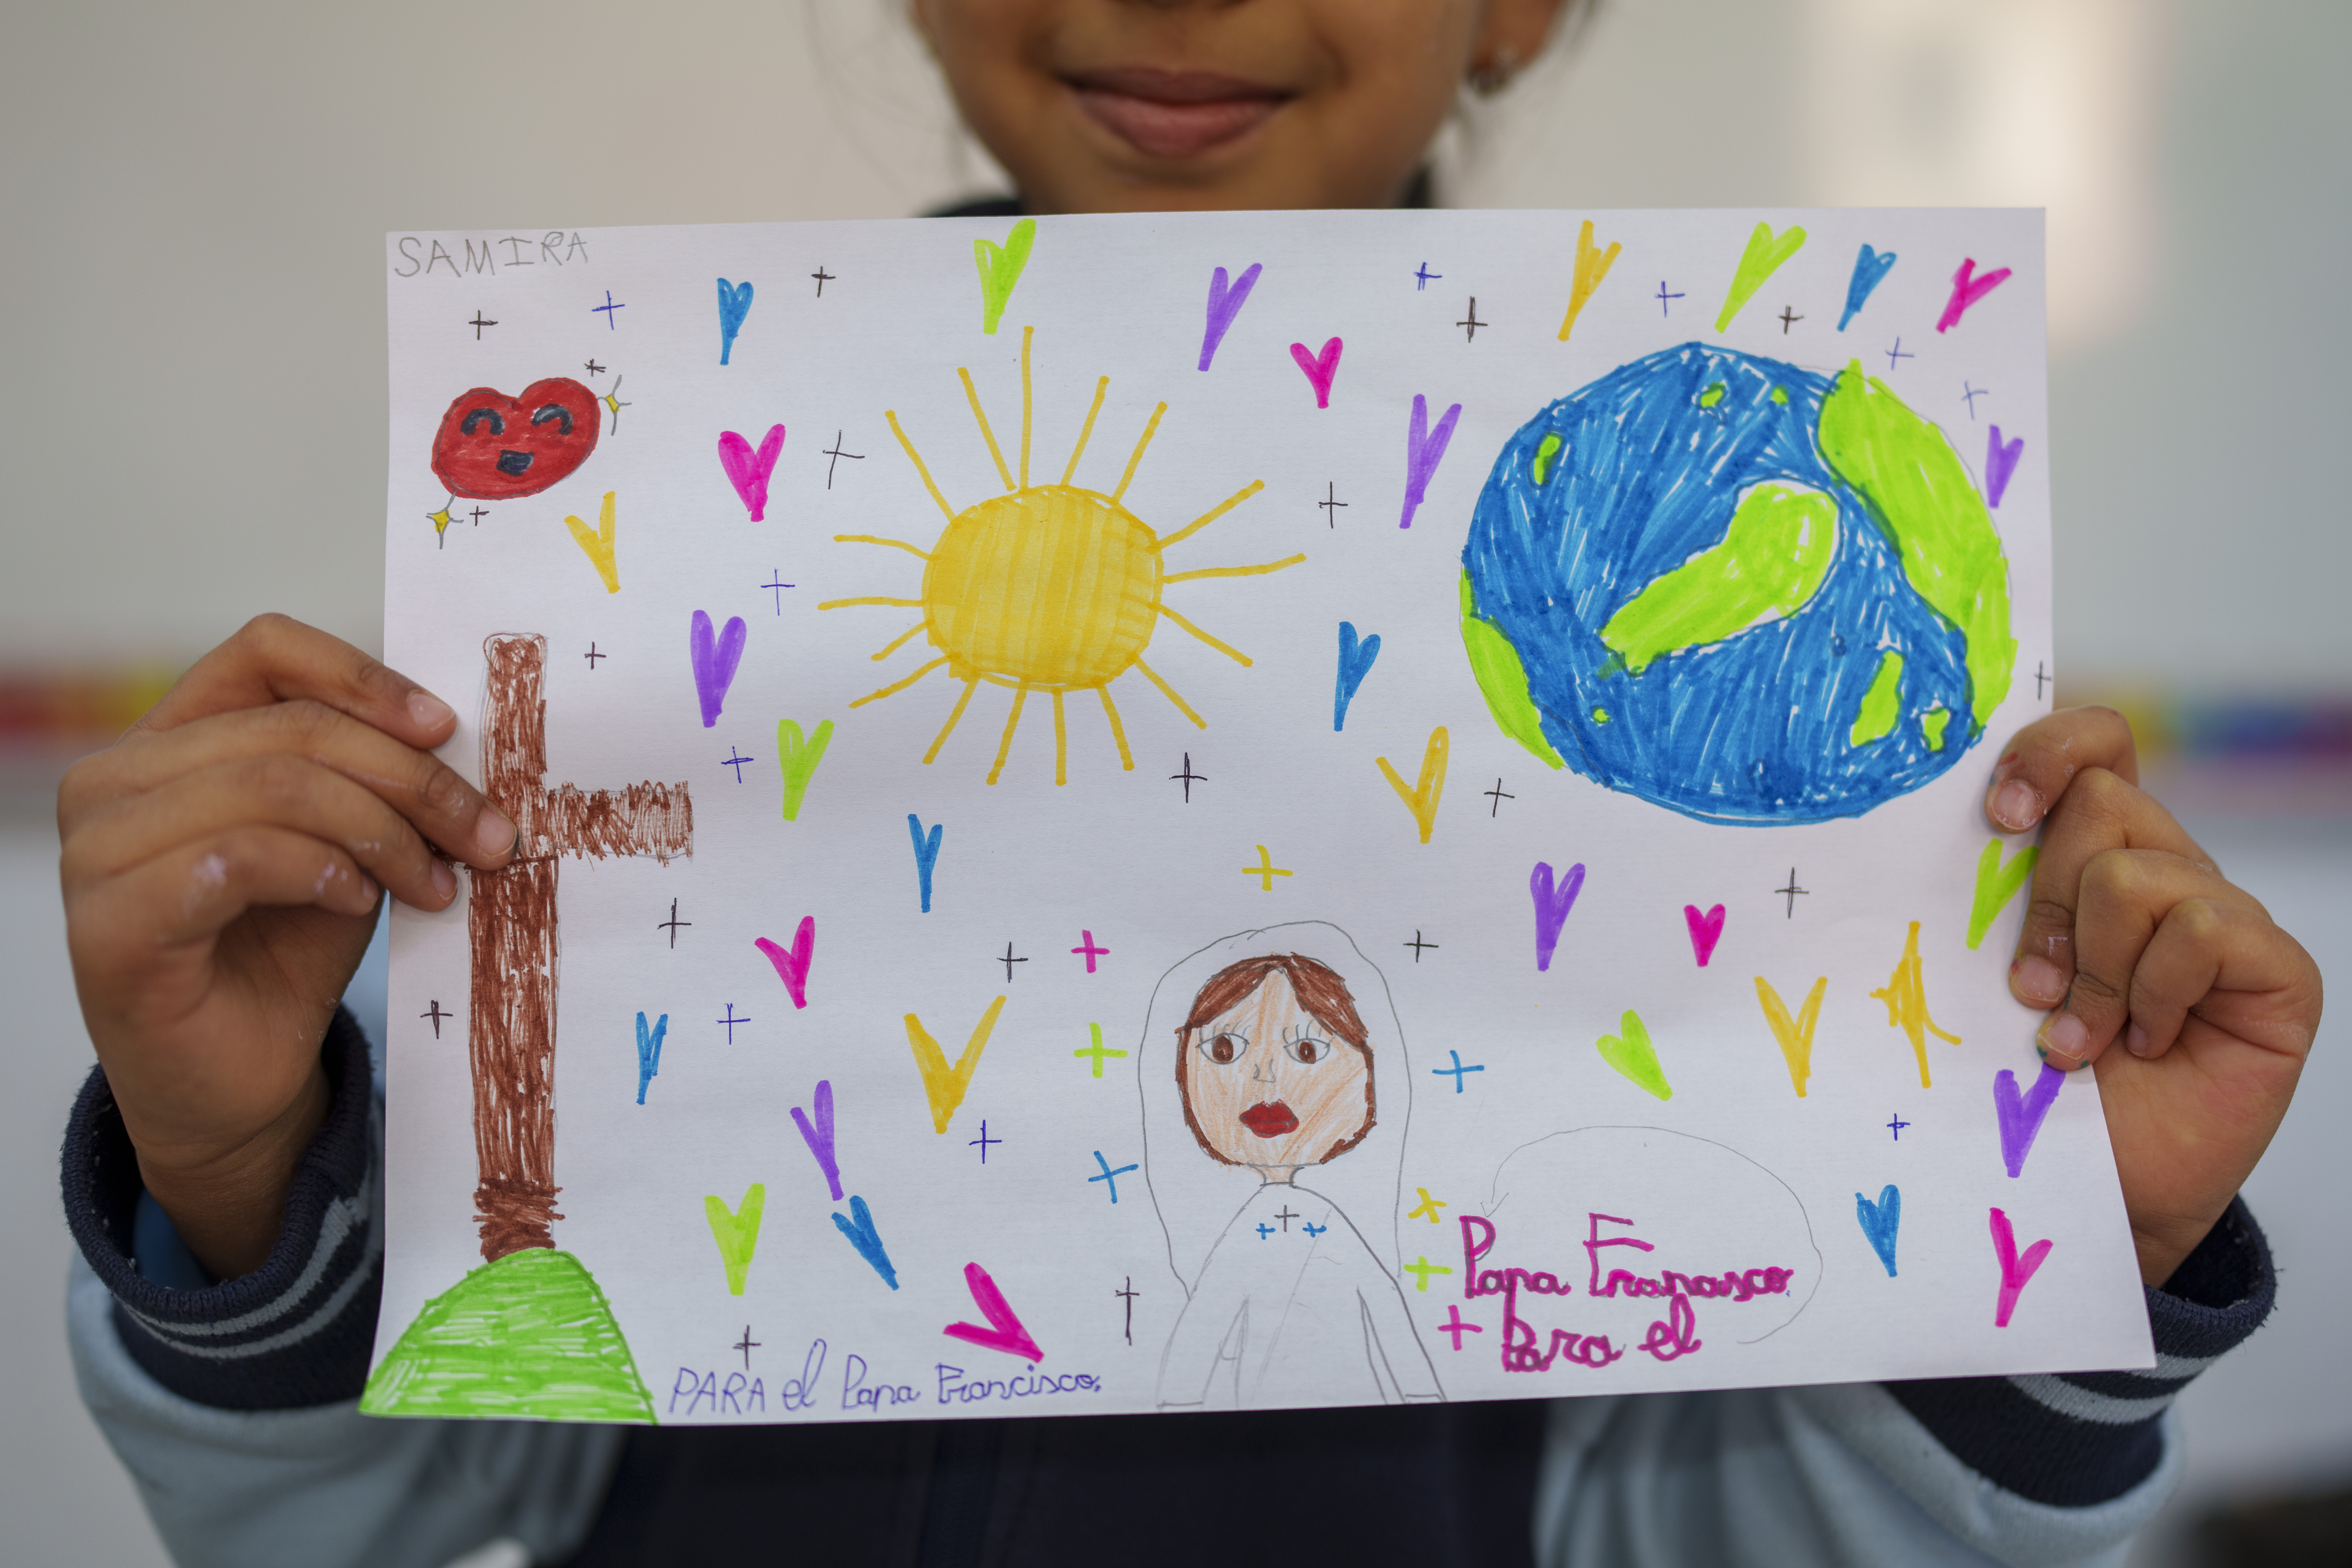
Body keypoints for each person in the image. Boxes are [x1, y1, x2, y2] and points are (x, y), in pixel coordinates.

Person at [54, 1, 2321, 1564]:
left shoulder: (1780, 668)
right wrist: (242, 1183)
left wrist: (2043, 1260)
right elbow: (423, 1510)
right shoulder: (609, 563)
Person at [1145, 934, 1442, 1411]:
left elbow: (1384, 1306)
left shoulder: (1323, 1223)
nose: (1265, 1079)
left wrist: (1422, 1394)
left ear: (1364, 1073)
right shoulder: (1250, 1231)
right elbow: (1209, 1316)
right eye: (1224, 1050)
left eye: (1307, 1052)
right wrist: (1178, 1402)